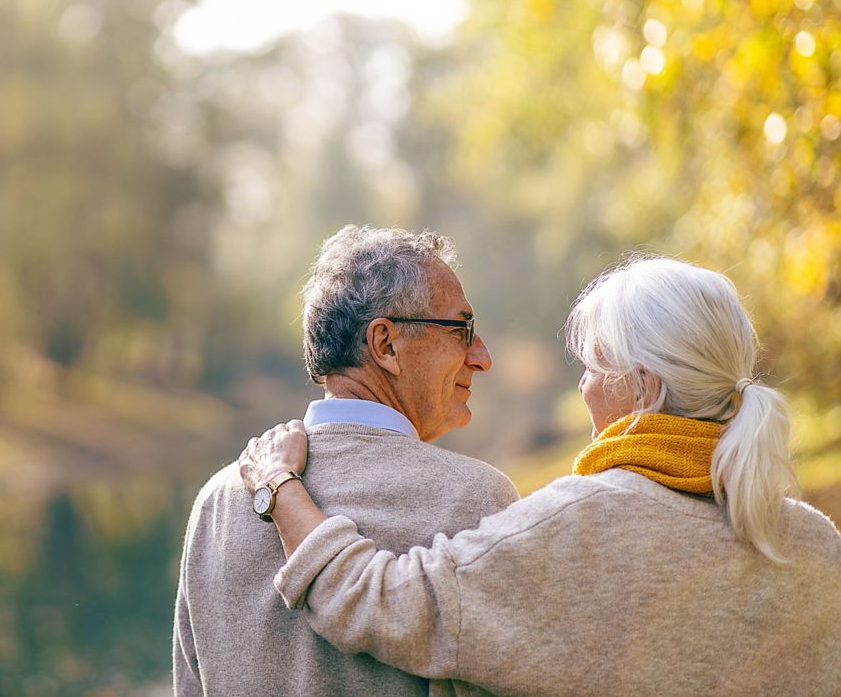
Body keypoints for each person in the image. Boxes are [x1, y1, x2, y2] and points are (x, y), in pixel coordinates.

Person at [240, 256, 841, 696]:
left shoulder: (577, 527)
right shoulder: (817, 545)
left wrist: (279, 486)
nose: (581, 387)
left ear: (644, 387)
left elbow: (370, 601)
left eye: (591, 367)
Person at [173, 225, 519, 696]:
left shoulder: (217, 501)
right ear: (386, 346)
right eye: (463, 330)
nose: (482, 357)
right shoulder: (474, 498)